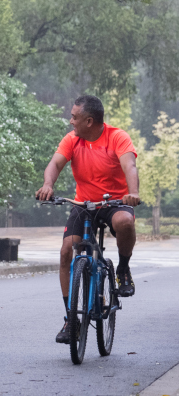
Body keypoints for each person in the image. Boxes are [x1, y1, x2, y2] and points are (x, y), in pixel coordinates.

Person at [35, 95, 140, 344]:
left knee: (125, 222)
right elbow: (55, 164)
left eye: (74, 117)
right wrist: (48, 184)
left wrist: (132, 193)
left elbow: (130, 166)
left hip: (114, 202)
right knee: (65, 252)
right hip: (84, 204)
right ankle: (71, 318)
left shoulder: (117, 137)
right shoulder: (72, 140)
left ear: (89, 121)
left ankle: (123, 268)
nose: (71, 121)